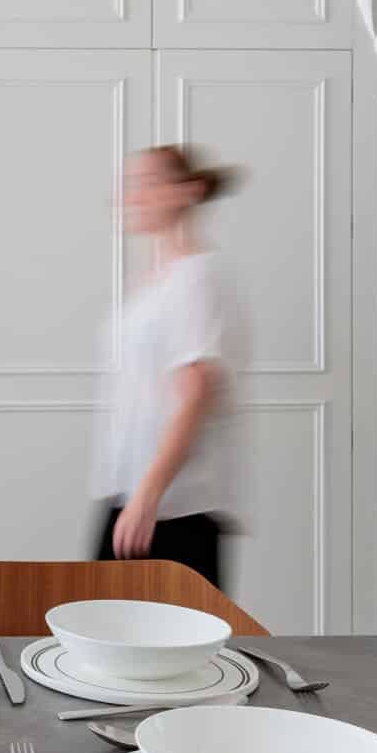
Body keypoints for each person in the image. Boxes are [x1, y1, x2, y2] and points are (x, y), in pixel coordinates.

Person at [91, 144, 248, 589]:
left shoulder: (198, 278)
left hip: (172, 508)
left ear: (187, 192)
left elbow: (197, 394)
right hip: (132, 497)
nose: (132, 195)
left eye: (147, 183)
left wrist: (147, 497)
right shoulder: (153, 283)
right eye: (128, 184)